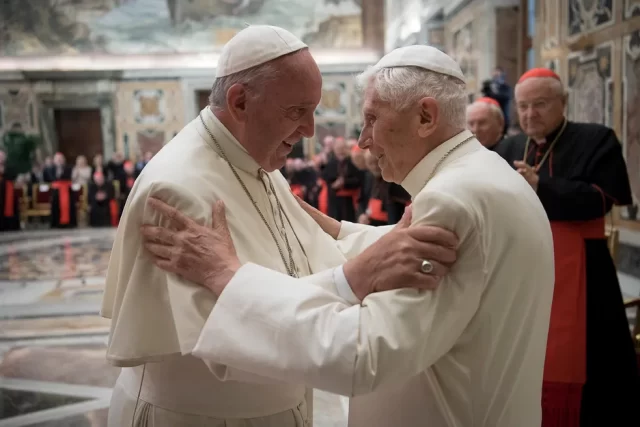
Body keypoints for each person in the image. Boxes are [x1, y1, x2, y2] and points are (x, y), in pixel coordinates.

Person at [141, 46, 556, 426]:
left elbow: (363, 354)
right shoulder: (487, 173)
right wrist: (336, 228)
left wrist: (228, 278)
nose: (363, 140)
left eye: (372, 118)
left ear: (426, 117)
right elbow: (426, 253)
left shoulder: (450, 200)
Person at [102, 26, 458, 427]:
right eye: (296, 111)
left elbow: (316, 258)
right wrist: (357, 277)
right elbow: (231, 344)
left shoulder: (260, 164)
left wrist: (389, 245)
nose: (310, 130)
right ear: (240, 102)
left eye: (313, 111)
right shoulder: (177, 190)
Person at [495, 67, 639, 427]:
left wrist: (540, 186)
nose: (530, 114)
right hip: (520, 269)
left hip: (583, 270)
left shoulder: (596, 139)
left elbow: (602, 199)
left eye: (541, 104)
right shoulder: (508, 148)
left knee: (590, 360)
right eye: (523, 106)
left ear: (564, 102)